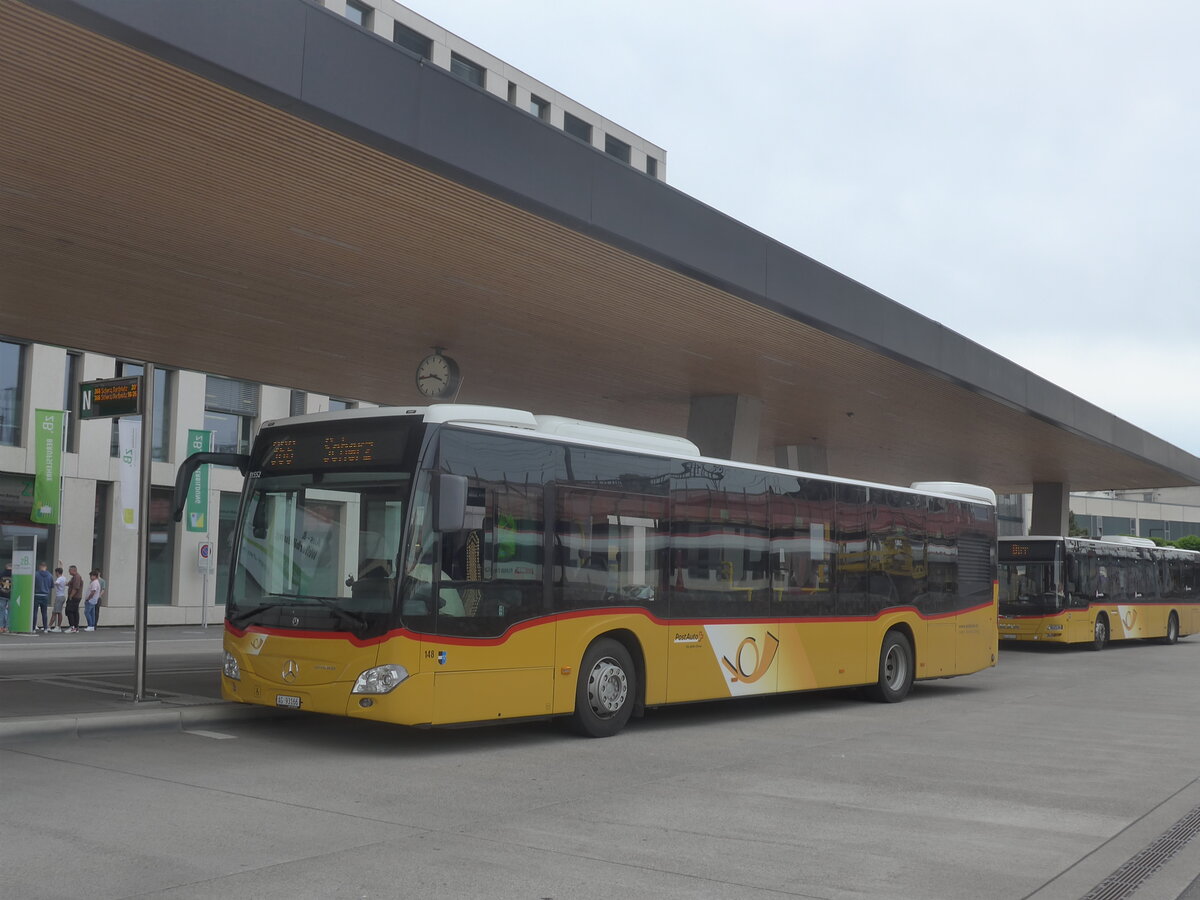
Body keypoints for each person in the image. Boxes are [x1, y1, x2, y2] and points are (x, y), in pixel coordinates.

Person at [33, 561, 53, 632]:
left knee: (34, 612)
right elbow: (51, 586)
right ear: (46, 567)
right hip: (45, 596)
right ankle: (45, 628)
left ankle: (33, 628)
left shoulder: (35, 574)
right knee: (44, 613)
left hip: (36, 595)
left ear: (40, 566)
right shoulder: (50, 575)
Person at [64, 564, 83, 633]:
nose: (69, 572)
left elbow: (75, 588)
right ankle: (75, 627)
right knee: (75, 612)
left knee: (70, 611)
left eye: (69, 570)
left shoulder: (77, 577)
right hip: (75, 597)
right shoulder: (74, 577)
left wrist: (70, 596)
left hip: (74, 597)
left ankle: (72, 627)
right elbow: (69, 584)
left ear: (73, 570)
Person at [49, 565, 68, 632]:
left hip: (59, 597)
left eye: (55, 573)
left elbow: (56, 583)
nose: (55, 574)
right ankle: (57, 626)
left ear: (57, 572)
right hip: (62, 596)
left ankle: (51, 626)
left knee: (55, 612)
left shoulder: (59, 579)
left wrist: (50, 582)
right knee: (59, 612)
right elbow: (66, 583)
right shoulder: (64, 578)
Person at [0, 563, 11, 634]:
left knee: (1, 611)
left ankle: (1, 627)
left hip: (2, 595)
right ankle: (7, 627)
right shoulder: (15, 574)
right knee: (10, 612)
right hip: (11, 596)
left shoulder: (1, 573)